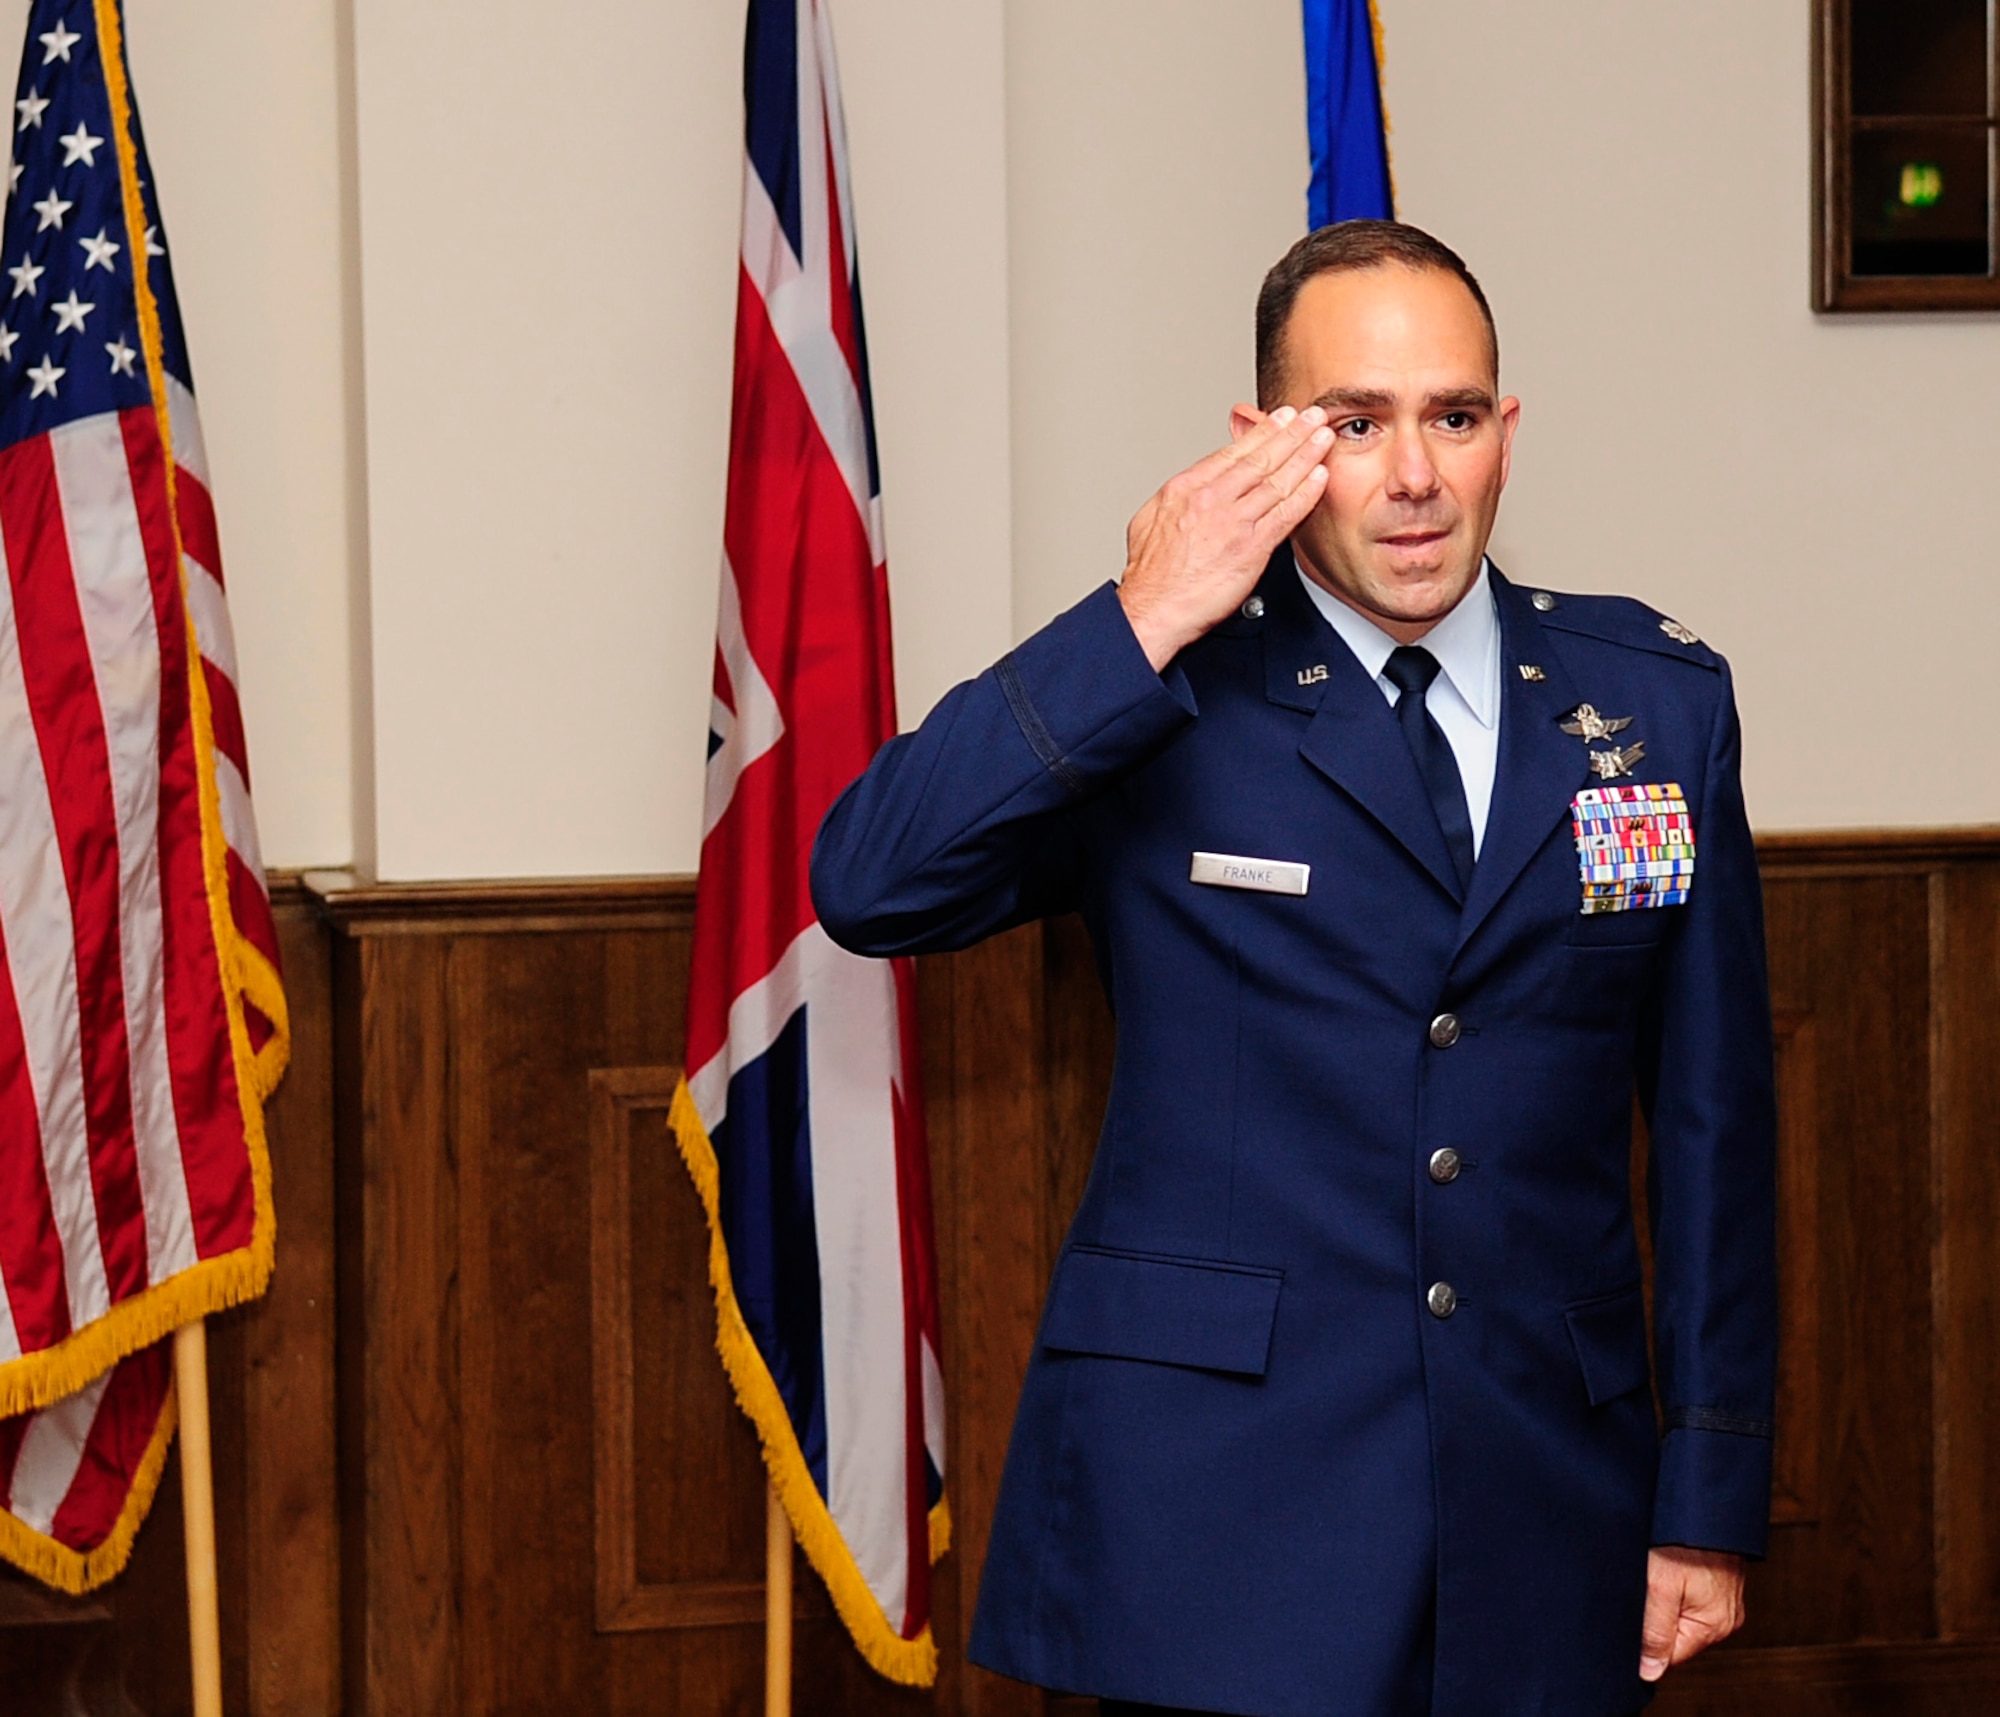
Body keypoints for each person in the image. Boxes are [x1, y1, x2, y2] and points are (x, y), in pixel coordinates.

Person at [810, 221, 1776, 1717]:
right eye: (1355, 423)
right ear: (1267, 444)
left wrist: (1704, 1488)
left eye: (1452, 418)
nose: (1413, 477)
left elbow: (1717, 1130)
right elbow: (870, 880)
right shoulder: (1167, 691)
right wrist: (1141, 618)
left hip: (1543, 1508)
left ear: (1505, 433)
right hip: (1216, 1522)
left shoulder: (1649, 706)